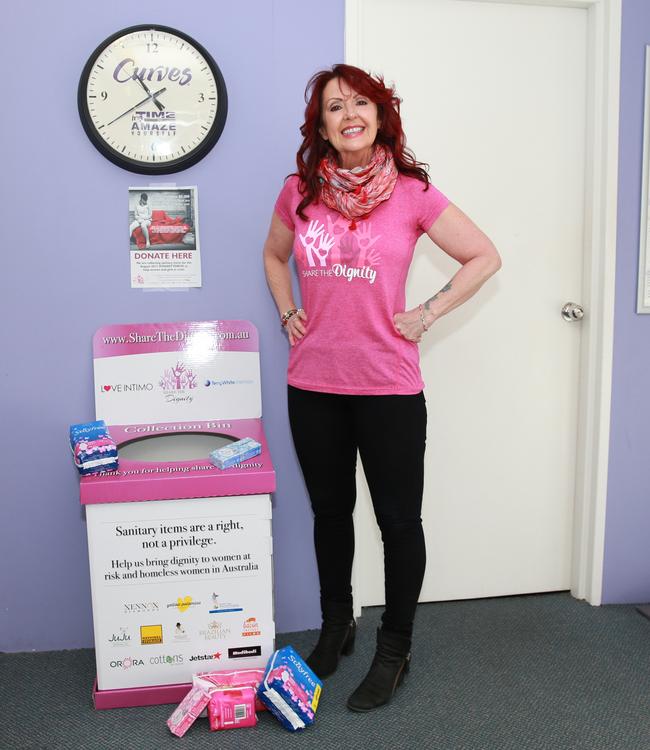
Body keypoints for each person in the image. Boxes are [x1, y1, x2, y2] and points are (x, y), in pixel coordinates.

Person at [263, 64, 501, 713]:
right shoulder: (298, 191)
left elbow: (484, 255)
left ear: (380, 114)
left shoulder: (415, 194)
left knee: (398, 521)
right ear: (322, 125)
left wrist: (426, 313)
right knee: (330, 515)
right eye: (334, 107)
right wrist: (288, 311)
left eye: (360, 102)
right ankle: (337, 628)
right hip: (312, 385)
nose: (349, 114)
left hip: (389, 389)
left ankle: (394, 650)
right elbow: (274, 256)